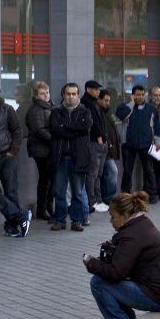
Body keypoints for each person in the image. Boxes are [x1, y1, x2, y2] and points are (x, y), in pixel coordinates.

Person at [84, 191, 160, 319]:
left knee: (98, 282)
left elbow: (117, 273)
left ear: (124, 216)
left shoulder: (131, 235)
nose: (111, 221)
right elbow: (124, 267)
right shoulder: (141, 225)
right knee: (110, 281)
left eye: (113, 217)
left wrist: (91, 263)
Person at [0, 83, 32, 237]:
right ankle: (21, 215)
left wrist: (13, 151)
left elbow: (17, 130)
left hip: (7, 156)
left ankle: (12, 226)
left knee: (11, 191)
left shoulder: (7, 110)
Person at [49, 83, 93, 232]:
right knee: (59, 191)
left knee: (78, 191)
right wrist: (73, 129)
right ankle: (60, 220)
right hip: (60, 157)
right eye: (68, 94)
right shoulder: (56, 112)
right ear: (63, 95)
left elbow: (85, 127)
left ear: (78, 95)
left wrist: (65, 127)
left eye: (74, 94)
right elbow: (54, 129)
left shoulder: (85, 111)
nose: (71, 97)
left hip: (78, 158)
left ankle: (77, 221)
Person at [115, 85, 160, 202]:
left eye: (142, 95)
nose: (140, 97)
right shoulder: (125, 107)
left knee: (149, 170)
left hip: (146, 144)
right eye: (137, 95)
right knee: (127, 171)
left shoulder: (151, 109)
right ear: (132, 95)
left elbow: (157, 126)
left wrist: (158, 141)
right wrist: (131, 104)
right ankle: (125, 194)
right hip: (129, 145)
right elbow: (122, 116)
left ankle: (151, 194)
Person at [25, 81, 54, 221]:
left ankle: (48, 207)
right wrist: (55, 138)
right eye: (42, 93)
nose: (46, 95)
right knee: (45, 180)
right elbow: (39, 130)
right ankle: (43, 209)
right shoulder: (36, 110)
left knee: (49, 180)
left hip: (47, 148)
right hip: (41, 149)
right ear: (36, 96)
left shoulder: (48, 107)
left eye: (47, 92)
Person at [80, 81, 108, 215]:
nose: (98, 92)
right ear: (88, 89)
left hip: (100, 142)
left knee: (98, 174)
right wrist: (99, 139)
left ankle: (97, 200)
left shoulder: (94, 102)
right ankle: (91, 201)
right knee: (92, 174)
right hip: (94, 143)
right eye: (96, 89)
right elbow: (94, 123)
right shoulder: (86, 102)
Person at [98, 90, 122, 207]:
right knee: (112, 172)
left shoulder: (107, 113)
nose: (108, 103)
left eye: (109, 101)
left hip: (108, 150)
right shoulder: (99, 113)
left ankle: (108, 198)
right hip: (104, 149)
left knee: (108, 173)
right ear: (99, 100)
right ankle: (109, 198)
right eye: (106, 101)